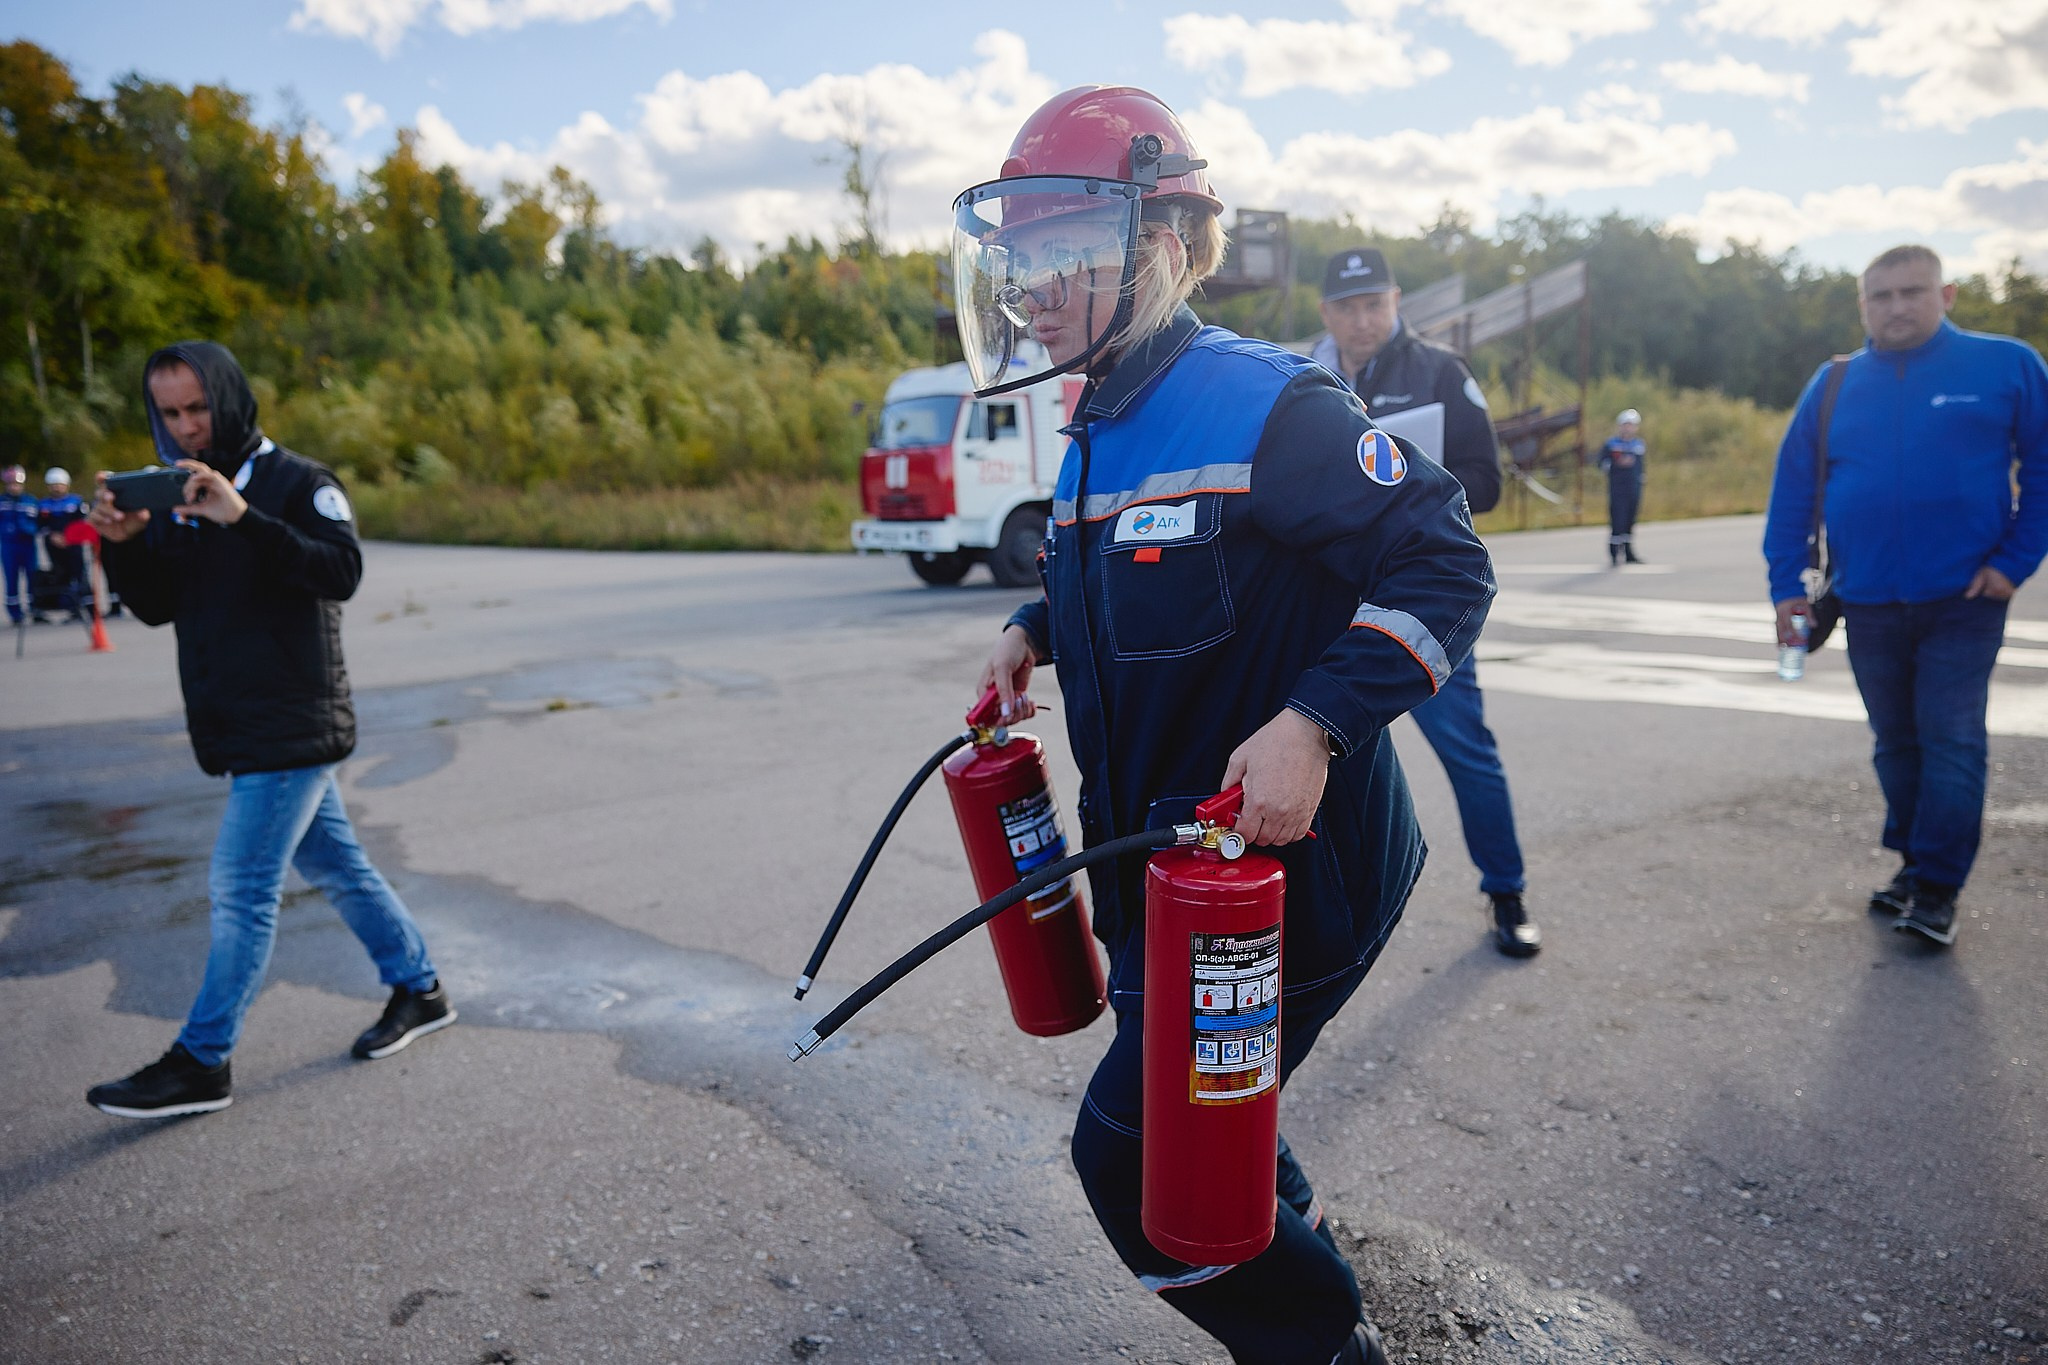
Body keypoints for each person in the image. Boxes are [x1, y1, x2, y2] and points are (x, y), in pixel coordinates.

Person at [965, 88, 1495, 1364]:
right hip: (1159, 877)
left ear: (1158, 244)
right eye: (1016, 259)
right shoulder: (1098, 418)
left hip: (1283, 887)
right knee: (1203, 1109)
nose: (1030, 289)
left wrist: (1313, 724)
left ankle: (1321, 1343)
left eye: (1058, 251)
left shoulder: (1266, 406)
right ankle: (1293, 1226)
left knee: (1128, 1160)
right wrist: (1032, 627)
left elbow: (1445, 562)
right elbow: (1134, 576)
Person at [83, 340, 455, 1118]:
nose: (186, 426)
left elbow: (340, 572)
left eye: (198, 407)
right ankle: (420, 988)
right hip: (234, 721)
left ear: (229, 398)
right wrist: (125, 546)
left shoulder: (300, 482)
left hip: (293, 720)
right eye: (169, 412)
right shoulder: (178, 492)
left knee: (242, 887)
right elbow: (156, 606)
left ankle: (202, 1059)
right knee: (340, 866)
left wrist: (243, 517)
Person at [1764, 244, 2047, 947]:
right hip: (1866, 599)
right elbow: (1794, 487)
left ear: (1946, 295)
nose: (1896, 307)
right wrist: (1786, 585)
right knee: (1895, 741)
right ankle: (1916, 862)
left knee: (1950, 738)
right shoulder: (1834, 382)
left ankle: (1938, 887)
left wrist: (2014, 562)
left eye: (1912, 291)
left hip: (1965, 598)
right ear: (1863, 305)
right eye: (1881, 296)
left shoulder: (2006, 365)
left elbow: (2045, 468)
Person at [1309, 247, 1540, 959]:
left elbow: (1486, 482)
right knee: (1308, 751)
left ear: (1397, 301)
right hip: (1326, 601)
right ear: (1325, 312)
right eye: (1347, 307)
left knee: (1467, 751)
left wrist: (1404, 476)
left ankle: (1507, 891)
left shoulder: (1441, 371)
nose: (1362, 320)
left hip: (1417, 599)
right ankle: (1314, 921)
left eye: (1374, 304)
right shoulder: (1300, 377)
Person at [39, 466, 89, 620]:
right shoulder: (44, 504)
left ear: (66, 485)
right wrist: (53, 536)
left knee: (79, 574)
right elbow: (41, 525)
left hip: (73, 545)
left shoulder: (76, 501)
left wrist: (69, 537)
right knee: (62, 575)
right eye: (53, 485)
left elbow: (82, 522)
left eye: (59, 484)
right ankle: (70, 608)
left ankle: (88, 607)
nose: (57, 488)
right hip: (54, 546)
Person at [1597, 409, 1646, 565]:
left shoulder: (1638, 445)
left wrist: (1641, 479)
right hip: (1618, 488)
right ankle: (1614, 553)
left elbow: (1641, 466)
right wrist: (1617, 464)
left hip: (1633, 488)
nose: (1628, 428)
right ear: (1620, 426)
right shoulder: (1611, 444)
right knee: (1618, 519)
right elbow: (1602, 464)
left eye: (1631, 425)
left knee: (1630, 519)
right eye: (1626, 425)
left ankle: (1628, 552)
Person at [1, 463, 38, 625]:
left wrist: (29, 529)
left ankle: (35, 609)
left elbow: (39, 522)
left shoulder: (30, 501)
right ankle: (15, 614)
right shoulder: (2, 502)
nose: (14, 487)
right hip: (9, 546)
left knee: (32, 576)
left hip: (28, 545)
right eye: (11, 484)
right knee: (11, 579)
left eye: (17, 484)